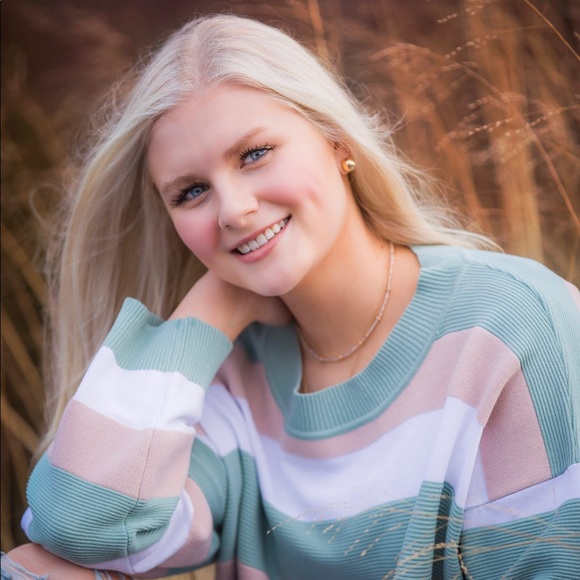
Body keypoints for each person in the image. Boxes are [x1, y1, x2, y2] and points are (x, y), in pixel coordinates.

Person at [3, 12, 579, 580]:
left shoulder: (511, 323)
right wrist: (211, 310)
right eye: (192, 191)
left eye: (254, 154)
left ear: (337, 140)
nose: (234, 211)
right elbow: (81, 529)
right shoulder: (227, 374)